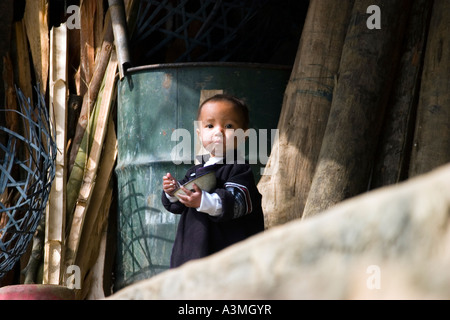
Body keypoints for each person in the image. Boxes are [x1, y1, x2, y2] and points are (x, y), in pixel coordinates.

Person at [161, 94, 264, 268]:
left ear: (244, 135)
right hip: (190, 254)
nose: (218, 131)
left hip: (225, 257)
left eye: (229, 126)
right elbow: (177, 205)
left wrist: (203, 201)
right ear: (199, 133)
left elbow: (238, 201)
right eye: (210, 125)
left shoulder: (239, 169)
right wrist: (172, 191)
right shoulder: (195, 171)